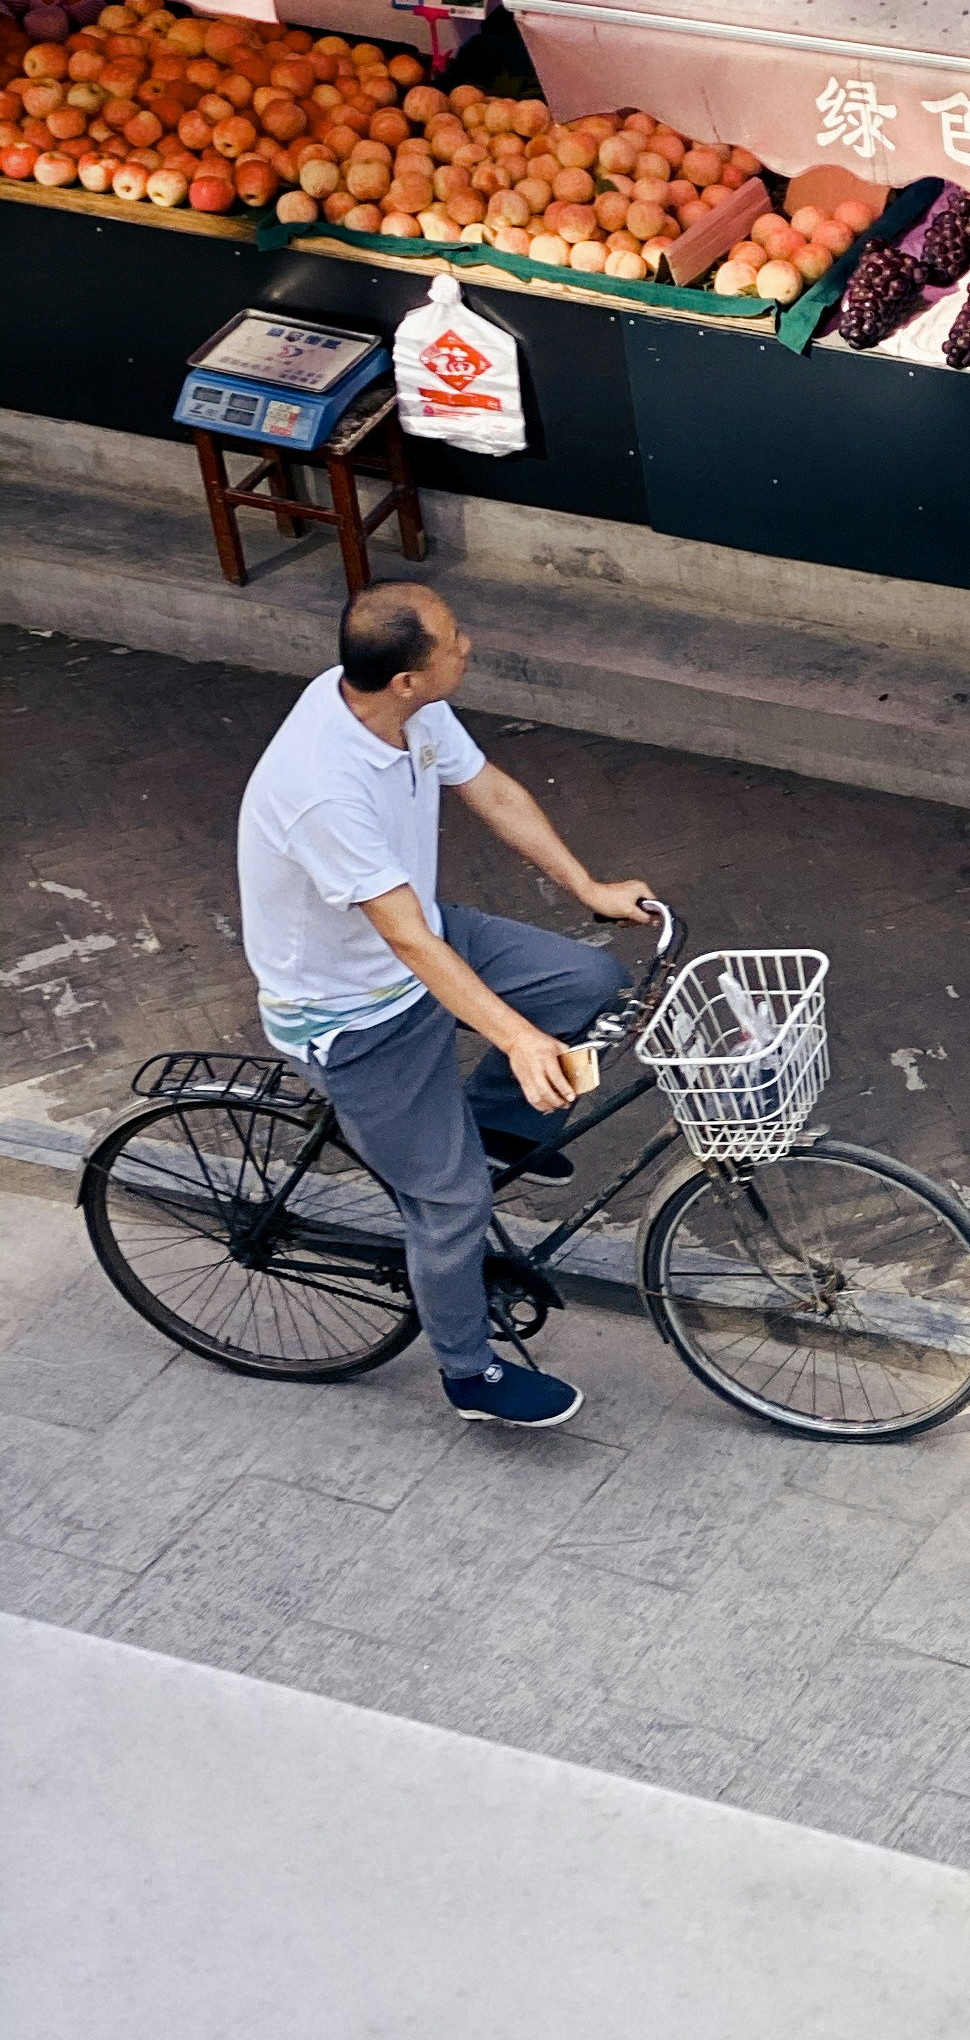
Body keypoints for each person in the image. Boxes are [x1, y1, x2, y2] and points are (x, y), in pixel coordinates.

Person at [237, 580, 659, 1424]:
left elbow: (489, 788)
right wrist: (517, 1038)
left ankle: (493, 1129)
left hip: (419, 938)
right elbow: (407, 943)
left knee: (587, 982)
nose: (467, 644)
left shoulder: (403, 709)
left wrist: (588, 886)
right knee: (453, 1203)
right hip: (353, 1009)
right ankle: (470, 1375)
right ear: (406, 677)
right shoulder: (322, 786)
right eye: (453, 638)